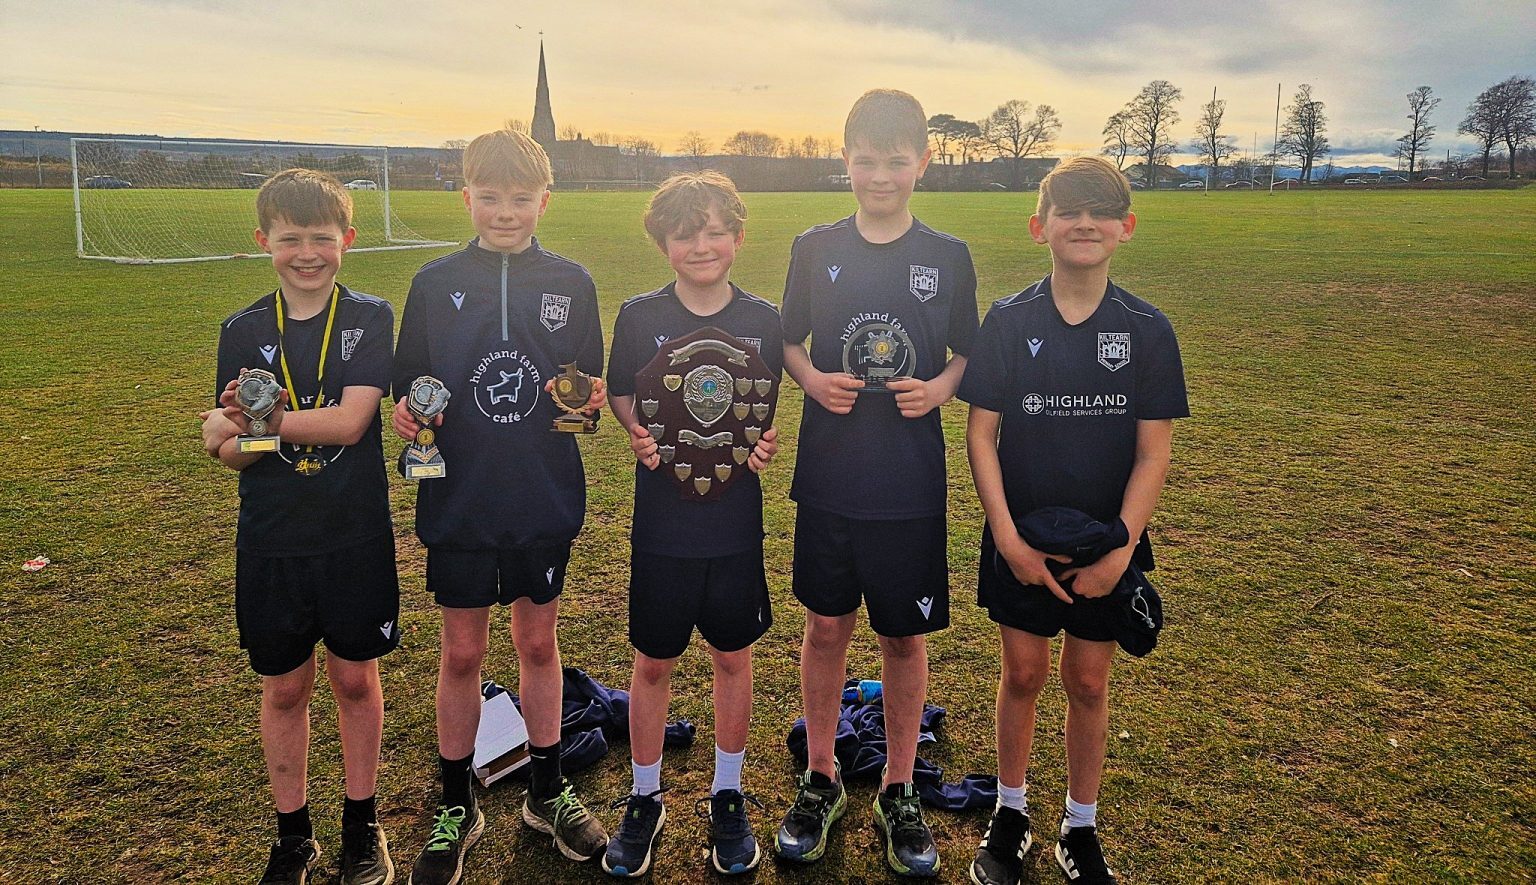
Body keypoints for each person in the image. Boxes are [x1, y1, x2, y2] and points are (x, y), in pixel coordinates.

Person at [958, 156, 1189, 885]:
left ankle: (1080, 826)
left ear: (1126, 226)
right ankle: (1011, 812)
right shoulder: (1008, 320)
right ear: (1040, 226)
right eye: (1068, 209)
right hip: (1021, 538)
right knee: (1023, 671)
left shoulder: (1147, 329)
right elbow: (981, 434)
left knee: (1088, 680)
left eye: (1101, 210)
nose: (1084, 222)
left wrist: (1119, 549)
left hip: (1104, 545)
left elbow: (1153, 452)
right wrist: (1006, 537)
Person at [389, 128, 608, 885]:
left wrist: (591, 401)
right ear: (467, 197)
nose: (505, 211)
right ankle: (458, 803)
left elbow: (586, 391)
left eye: (521, 198)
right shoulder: (434, 281)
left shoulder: (573, 282)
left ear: (545, 199)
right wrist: (407, 415)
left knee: (539, 644)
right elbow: (409, 384)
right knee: (461, 651)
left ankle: (547, 790)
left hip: (541, 497)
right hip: (461, 499)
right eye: (490, 196)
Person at [774, 88, 979, 878]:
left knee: (901, 635)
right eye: (866, 159)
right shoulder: (813, 243)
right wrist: (811, 378)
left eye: (898, 160)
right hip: (828, 476)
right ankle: (822, 773)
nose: (881, 175)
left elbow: (964, 350)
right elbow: (789, 340)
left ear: (923, 161)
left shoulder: (947, 255)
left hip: (910, 485)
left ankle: (899, 786)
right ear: (845, 160)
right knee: (826, 628)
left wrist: (941, 389)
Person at [201, 168, 399, 885]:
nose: (307, 253)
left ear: (346, 239)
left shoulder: (370, 318)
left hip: (353, 536)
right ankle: (293, 836)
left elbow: (350, 423)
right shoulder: (244, 330)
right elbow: (238, 451)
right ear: (265, 242)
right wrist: (225, 438)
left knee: (354, 679)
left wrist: (256, 425)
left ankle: (362, 825)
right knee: (284, 688)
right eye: (291, 239)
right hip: (273, 540)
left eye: (322, 237)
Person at [600, 170, 784, 878]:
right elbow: (621, 391)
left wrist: (763, 442)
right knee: (653, 662)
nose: (701, 245)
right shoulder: (640, 315)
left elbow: (761, 406)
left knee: (733, 655)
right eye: (686, 233)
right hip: (663, 524)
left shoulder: (763, 319)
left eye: (714, 231)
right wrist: (635, 432)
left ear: (737, 237)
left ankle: (728, 792)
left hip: (736, 523)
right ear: (663, 243)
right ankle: (646, 795)